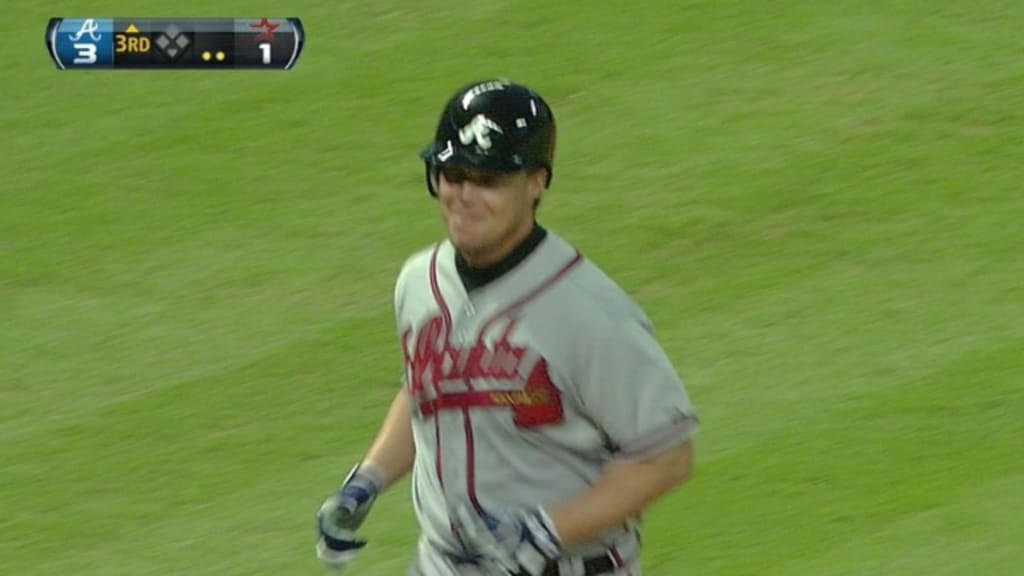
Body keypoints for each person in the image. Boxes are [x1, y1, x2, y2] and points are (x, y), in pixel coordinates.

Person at [316, 79, 699, 576]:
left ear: (536, 182)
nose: (464, 195)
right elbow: (430, 389)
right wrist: (366, 480)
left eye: (488, 179)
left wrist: (545, 530)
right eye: (452, 175)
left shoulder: (588, 311)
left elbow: (667, 457)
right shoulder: (417, 282)